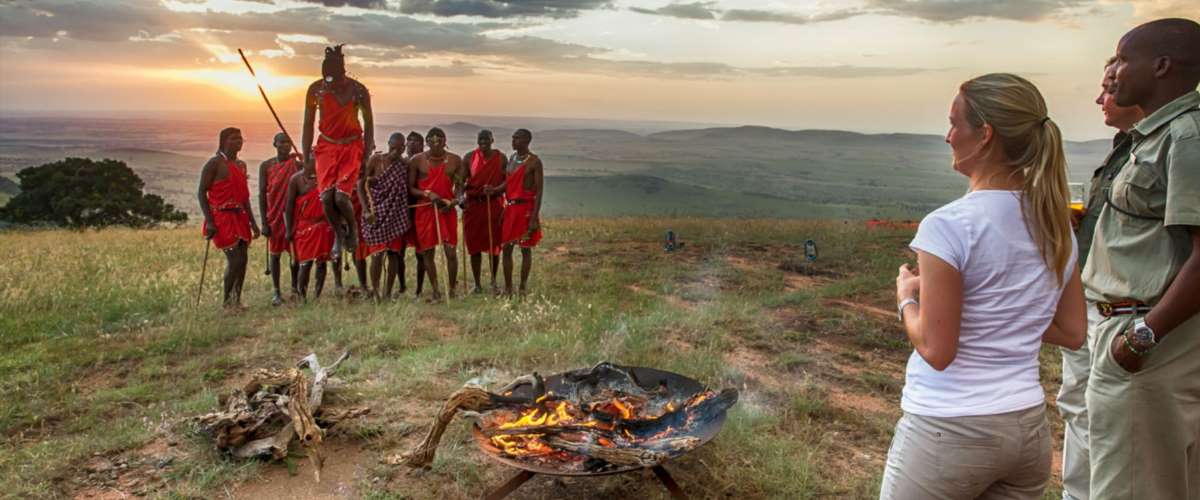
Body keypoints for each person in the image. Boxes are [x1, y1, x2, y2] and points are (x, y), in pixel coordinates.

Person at [880, 73, 1086, 499]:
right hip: (1026, 429)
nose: (948, 136)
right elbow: (1071, 332)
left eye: (955, 123)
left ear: (985, 134)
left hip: (949, 428)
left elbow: (937, 351)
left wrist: (907, 299)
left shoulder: (948, 225)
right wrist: (986, 308)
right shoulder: (1057, 224)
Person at [1084, 18, 1200, 500]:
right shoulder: (1155, 135)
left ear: (1161, 66)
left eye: (1122, 57)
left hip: (1147, 338)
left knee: (1130, 487)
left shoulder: (1186, 138)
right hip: (1135, 331)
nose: (1113, 71)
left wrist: (1143, 336)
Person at [1055, 57, 1144, 500]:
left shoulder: (1176, 144)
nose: (1100, 96)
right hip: (1091, 298)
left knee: (1109, 421)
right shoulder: (1124, 147)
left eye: (1110, 85)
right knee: (1078, 407)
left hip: (1128, 313)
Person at [301, 44, 373, 256]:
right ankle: (338, 237)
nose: (332, 86)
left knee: (341, 198)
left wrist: (366, 156)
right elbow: (308, 124)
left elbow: (369, 124)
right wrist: (307, 157)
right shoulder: (316, 89)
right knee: (325, 198)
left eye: (336, 80)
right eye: (327, 80)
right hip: (326, 147)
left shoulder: (358, 90)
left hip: (352, 146)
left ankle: (352, 231)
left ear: (343, 73)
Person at [197, 127, 261, 309]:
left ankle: (236, 300)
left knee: (243, 260)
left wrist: (253, 223)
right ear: (224, 141)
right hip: (221, 217)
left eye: (241, 139)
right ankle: (227, 303)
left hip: (240, 216)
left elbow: (244, 197)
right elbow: (201, 192)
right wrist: (209, 221)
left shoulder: (241, 165)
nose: (238, 142)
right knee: (234, 261)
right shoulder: (214, 164)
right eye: (234, 139)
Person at [408, 127, 463, 302]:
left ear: (445, 141)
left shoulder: (455, 161)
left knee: (451, 252)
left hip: (446, 210)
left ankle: (452, 289)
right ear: (427, 142)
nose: (436, 144)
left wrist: (454, 201)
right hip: (424, 210)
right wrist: (428, 194)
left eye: (439, 140)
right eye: (432, 141)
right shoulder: (417, 161)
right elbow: (411, 188)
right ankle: (436, 290)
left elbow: (460, 189)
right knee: (427, 253)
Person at [358, 134, 412, 300]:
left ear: (404, 148)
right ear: (388, 144)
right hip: (375, 213)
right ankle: (375, 291)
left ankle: (387, 293)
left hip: (395, 215)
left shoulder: (404, 165)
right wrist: (366, 211)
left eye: (400, 148)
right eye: (393, 147)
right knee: (377, 254)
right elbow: (360, 184)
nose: (395, 151)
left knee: (394, 254)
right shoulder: (376, 160)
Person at [259, 132, 302, 306]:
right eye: (281, 142)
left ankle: (295, 289)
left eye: (288, 142)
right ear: (274, 144)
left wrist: (302, 157)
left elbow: (311, 174)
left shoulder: (297, 165)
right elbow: (262, 194)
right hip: (274, 215)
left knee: (295, 255)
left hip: (293, 215)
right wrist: (264, 222)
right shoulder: (266, 166)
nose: (285, 145)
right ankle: (276, 291)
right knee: (275, 255)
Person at [462, 129, 507, 294]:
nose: (483, 142)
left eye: (486, 139)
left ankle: (494, 281)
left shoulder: (501, 158)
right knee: (473, 245)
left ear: (492, 140)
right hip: (473, 206)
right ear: (477, 140)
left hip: (493, 205)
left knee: (494, 245)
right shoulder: (468, 158)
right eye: (480, 139)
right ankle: (477, 283)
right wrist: (460, 199)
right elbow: (460, 183)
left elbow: (508, 182)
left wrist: (495, 189)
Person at [500, 129, 544, 297]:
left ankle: (523, 287)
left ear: (526, 141)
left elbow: (539, 191)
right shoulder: (511, 159)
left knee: (525, 249)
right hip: (510, 208)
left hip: (526, 209)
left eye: (517, 138)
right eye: (513, 138)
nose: (513, 140)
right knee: (506, 248)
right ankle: (508, 288)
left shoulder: (534, 162)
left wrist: (534, 217)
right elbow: (507, 185)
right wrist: (493, 190)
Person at [285, 153, 333, 301]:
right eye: (310, 164)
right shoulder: (296, 180)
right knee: (305, 263)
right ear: (304, 164)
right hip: (304, 227)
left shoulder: (325, 176)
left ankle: (317, 296)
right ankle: (302, 296)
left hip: (323, 226)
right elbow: (289, 205)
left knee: (321, 262)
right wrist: (289, 229)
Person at [403, 131, 427, 296]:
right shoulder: (400, 161)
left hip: (420, 209)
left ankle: (419, 288)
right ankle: (402, 285)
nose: (412, 143)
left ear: (422, 144)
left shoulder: (425, 163)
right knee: (398, 252)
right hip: (401, 210)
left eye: (416, 141)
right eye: (409, 140)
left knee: (421, 252)